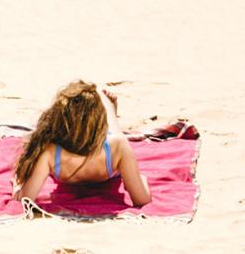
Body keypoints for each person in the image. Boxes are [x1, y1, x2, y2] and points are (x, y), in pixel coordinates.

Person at [11, 80, 151, 206]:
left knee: (91, 99)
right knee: (108, 116)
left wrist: (18, 187)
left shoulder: (51, 152)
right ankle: (106, 106)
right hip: (105, 153)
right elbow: (142, 200)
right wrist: (141, 180)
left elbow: (24, 199)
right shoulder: (118, 146)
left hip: (67, 158)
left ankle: (100, 104)